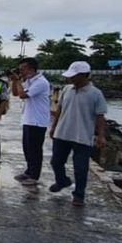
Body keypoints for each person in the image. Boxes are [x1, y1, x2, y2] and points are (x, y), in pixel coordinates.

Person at [49, 61, 107, 206]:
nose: (71, 78)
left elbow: (100, 116)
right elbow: (59, 109)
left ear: (84, 75)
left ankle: (79, 195)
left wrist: (101, 136)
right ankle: (62, 180)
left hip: (83, 136)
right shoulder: (66, 89)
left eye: (74, 76)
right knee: (56, 162)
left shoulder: (96, 94)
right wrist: (53, 127)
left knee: (81, 168)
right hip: (62, 133)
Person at [8, 57, 50, 187]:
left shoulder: (41, 82)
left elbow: (23, 95)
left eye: (23, 69)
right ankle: (29, 171)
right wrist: (14, 81)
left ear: (31, 69)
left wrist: (17, 80)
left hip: (37, 121)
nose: (21, 71)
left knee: (35, 149)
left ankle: (34, 176)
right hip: (29, 119)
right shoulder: (29, 81)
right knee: (27, 148)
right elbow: (15, 93)